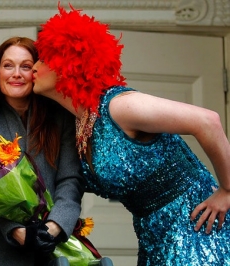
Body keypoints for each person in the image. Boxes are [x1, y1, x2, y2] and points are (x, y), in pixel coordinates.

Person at [32, 4, 230, 266]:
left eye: (44, 59)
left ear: (69, 64)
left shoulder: (119, 106)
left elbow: (208, 121)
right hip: (152, 236)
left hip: (196, 227)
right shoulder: (80, 124)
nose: (34, 67)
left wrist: (227, 189)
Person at [0, 36, 84, 266]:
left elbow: (70, 179)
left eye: (26, 66)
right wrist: (17, 230)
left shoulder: (60, 116)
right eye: (8, 65)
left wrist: (55, 226)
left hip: (54, 242)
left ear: (37, 72)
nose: (16, 73)